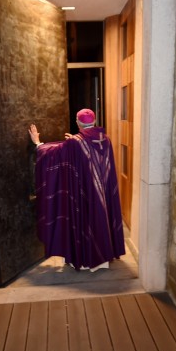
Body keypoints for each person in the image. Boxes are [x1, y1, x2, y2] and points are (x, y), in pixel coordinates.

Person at [29, 108, 125, 272]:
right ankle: (104, 258)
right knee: (101, 216)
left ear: (78, 122)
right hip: (102, 191)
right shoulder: (105, 139)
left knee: (86, 219)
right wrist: (72, 140)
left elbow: (54, 153)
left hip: (85, 193)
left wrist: (38, 143)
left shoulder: (75, 142)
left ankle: (87, 259)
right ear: (94, 121)